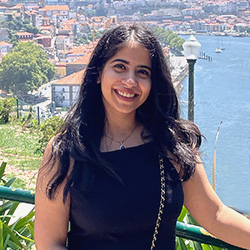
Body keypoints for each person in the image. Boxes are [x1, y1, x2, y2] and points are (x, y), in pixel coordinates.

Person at [34, 24, 250, 250]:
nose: (130, 81)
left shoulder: (173, 143)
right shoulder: (67, 150)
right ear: (99, 73)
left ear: (152, 82)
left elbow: (215, 215)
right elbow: (50, 243)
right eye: (120, 67)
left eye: (142, 72)